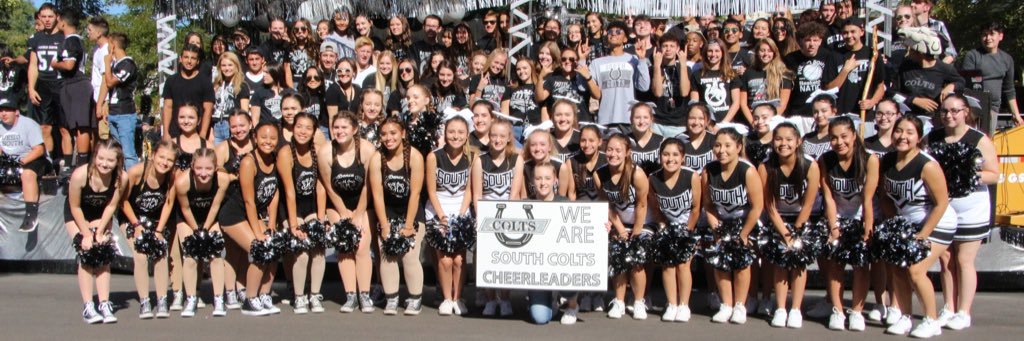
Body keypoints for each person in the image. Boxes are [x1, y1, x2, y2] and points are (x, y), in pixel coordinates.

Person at [878, 115, 957, 338]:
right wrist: (895, 224)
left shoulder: (927, 165)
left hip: (937, 222)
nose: (902, 136)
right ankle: (905, 317)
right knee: (897, 269)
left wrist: (924, 234)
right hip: (906, 224)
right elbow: (884, 197)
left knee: (916, 270)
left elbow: (942, 203)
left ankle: (931, 320)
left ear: (919, 137)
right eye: (899, 131)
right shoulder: (887, 161)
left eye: (909, 132)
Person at [928, 94, 999, 331]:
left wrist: (966, 174)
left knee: (963, 260)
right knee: (945, 259)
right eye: (944, 111)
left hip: (971, 206)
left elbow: (994, 174)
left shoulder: (979, 139)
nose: (949, 115)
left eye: (954, 110)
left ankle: (963, 311)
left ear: (965, 112)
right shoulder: (933, 137)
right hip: (942, 206)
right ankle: (948, 307)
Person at [758, 122, 823, 328]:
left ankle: (795, 309)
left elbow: (809, 203)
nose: (783, 143)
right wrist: (785, 233)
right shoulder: (765, 166)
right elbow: (769, 205)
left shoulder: (810, 165)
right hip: (777, 219)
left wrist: (796, 232)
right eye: (778, 139)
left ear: (798, 142)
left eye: (788, 139)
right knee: (780, 261)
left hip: (802, 219)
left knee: (798, 262)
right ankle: (780, 308)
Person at [818, 117, 881, 331]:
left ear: (854, 135)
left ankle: (856, 311)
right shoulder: (826, 159)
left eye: (844, 136)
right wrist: (834, 227)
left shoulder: (869, 159)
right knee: (835, 265)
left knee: (861, 266)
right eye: (834, 138)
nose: (839, 142)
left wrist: (867, 229)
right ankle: (837, 310)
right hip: (837, 216)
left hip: (862, 216)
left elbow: (868, 199)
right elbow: (828, 198)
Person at [218, 122, 281, 316]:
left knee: (274, 246)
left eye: (272, 138)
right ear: (255, 138)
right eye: (263, 137)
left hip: (254, 215)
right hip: (234, 216)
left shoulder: (275, 158)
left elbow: (274, 192)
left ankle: (264, 294)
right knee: (260, 249)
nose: (268, 142)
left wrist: (271, 224)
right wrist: (257, 233)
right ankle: (249, 299)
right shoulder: (248, 162)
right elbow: (249, 201)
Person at [702, 127, 764, 324]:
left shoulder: (748, 171)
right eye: (717, 145)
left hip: (745, 222)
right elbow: (708, 204)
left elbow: (757, 206)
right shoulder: (708, 170)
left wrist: (744, 234)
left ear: (738, 147)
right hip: (720, 222)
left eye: (727, 145)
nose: (722, 150)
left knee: (741, 264)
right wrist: (716, 228)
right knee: (720, 263)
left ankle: (740, 305)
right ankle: (726, 305)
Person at [64, 139, 128, 324]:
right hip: (77, 213)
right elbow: (75, 207)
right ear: (94, 157)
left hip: (101, 213)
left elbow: (112, 206)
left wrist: (100, 232)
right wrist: (86, 234)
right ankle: (88, 306)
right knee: (87, 251)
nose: (104, 164)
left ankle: (104, 303)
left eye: (110, 160)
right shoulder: (80, 175)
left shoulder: (121, 178)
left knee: (103, 252)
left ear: (118, 161)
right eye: (101, 158)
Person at [319, 113, 376, 313]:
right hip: (337, 204)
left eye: (344, 127)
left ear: (354, 129)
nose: (340, 131)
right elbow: (328, 187)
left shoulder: (367, 150)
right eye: (336, 127)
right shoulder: (326, 152)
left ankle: (365, 295)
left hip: (363, 203)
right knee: (344, 244)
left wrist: (358, 214)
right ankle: (350, 295)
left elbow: (369, 185)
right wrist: (343, 212)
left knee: (361, 247)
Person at [595, 133, 651, 320]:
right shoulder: (599, 174)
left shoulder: (637, 173)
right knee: (618, 256)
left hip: (641, 222)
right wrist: (620, 229)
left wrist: (636, 232)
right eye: (610, 150)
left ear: (627, 152)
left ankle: (639, 301)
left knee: (635, 260)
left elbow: (642, 204)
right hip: (618, 222)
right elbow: (607, 205)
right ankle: (619, 301)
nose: (613, 154)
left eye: (618, 150)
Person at [119, 139, 177, 318]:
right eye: (161, 157)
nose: (164, 163)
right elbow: (122, 201)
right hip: (131, 218)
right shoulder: (136, 172)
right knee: (141, 255)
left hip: (155, 220)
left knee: (161, 253)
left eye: (169, 160)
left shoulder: (172, 177)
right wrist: (136, 225)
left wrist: (159, 230)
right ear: (153, 155)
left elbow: (168, 203)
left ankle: (162, 299)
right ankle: (144, 301)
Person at [278, 112, 327, 314]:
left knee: (319, 248)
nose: (302, 131)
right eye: (299, 126)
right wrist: (293, 225)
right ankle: (299, 296)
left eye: (308, 128)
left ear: (314, 132)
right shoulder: (285, 153)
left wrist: (321, 219)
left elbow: (321, 187)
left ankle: (314, 294)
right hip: (291, 208)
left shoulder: (318, 151)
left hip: (311, 206)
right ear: (292, 128)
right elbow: (289, 192)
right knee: (302, 250)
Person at [471, 118, 521, 315]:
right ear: (488, 137)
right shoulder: (480, 160)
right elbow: (477, 194)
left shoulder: (516, 159)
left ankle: (505, 298)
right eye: (494, 136)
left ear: (509, 138)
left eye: (502, 136)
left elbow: (515, 193)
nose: (497, 140)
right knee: (486, 257)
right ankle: (491, 298)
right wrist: (481, 217)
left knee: (506, 257)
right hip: (486, 214)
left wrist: (508, 217)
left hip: (509, 214)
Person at [648, 138, 701, 322]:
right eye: (666, 154)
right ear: (660, 156)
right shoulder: (653, 178)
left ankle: (684, 305)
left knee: (683, 264)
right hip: (668, 227)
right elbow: (655, 208)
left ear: (683, 157)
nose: (670, 159)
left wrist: (688, 231)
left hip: (688, 226)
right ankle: (671, 304)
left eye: (675, 155)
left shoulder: (691, 176)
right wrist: (663, 227)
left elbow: (696, 208)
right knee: (667, 265)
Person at [174, 148, 231, 317]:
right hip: (188, 218)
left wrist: (205, 229)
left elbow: (215, 206)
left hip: (210, 217)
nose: (203, 173)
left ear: (216, 167)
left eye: (208, 168)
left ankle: (219, 298)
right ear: (192, 166)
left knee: (215, 254)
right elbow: (185, 209)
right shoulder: (182, 182)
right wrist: (196, 231)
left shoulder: (223, 179)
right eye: (199, 168)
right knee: (190, 255)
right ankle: (191, 298)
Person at [426, 116, 474, 316]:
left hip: (461, 208)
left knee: (459, 260)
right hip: (439, 209)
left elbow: (469, 190)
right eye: (451, 132)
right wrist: (442, 217)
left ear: (467, 135)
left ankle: (458, 297)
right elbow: (431, 190)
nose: (456, 136)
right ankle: (447, 298)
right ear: (445, 134)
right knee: (445, 260)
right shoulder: (434, 157)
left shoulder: (472, 157)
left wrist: (462, 215)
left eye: (461, 132)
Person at [523, 162, 580, 324]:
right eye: (538, 178)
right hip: (538, 270)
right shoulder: (524, 205)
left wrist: (603, 227)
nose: (543, 183)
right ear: (532, 181)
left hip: (561, 265)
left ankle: (572, 305)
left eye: (547, 178)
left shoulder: (565, 204)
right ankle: (551, 299)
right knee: (540, 318)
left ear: (555, 180)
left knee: (572, 272)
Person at [213, 109, 254, 310]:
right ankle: (229, 291)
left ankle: (241, 286)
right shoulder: (223, 148)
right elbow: (214, 173)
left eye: (242, 125)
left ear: (250, 124)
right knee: (232, 251)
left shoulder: (257, 144)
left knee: (244, 251)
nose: (238, 130)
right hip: (229, 204)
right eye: (234, 126)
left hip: (250, 203)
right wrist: (230, 176)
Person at [889, 27, 964, 123]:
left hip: (933, 120)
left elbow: (961, 82)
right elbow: (892, 93)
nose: (908, 52)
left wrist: (951, 86)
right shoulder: (905, 67)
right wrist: (913, 100)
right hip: (908, 119)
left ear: (920, 52)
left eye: (911, 49)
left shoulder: (944, 68)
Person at [590, 21, 650, 130]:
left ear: (625, 39)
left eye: (618, 32)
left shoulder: (634, 59)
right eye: (610, 32)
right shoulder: (597, 63)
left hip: (628, 119)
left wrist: (642, 59)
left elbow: (644, 87)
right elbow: (584, 88)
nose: (613, 34)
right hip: (605, 120)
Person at [0, 96, 48, 233]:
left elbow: (39, 150)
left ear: (16, 112)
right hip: (10, 162)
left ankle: (31, 215)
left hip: (34, 158)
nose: (3, 114)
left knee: (27, 173)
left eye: (7, 110)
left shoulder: (29, 124)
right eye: (1, 111)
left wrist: (21, 163)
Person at [784, 21, 842, 132]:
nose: (811, 44)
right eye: (807, 40)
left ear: (820, 41)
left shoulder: (828, 56)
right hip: (798, 113)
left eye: (815, 40)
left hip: (821, 113)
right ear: (800, 41)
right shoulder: (790, 59)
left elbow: (831, 85)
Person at [53, 12, 94, 168]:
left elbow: (69, 65)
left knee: (81, 126)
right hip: (67, 85)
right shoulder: (69, 40)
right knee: (66, 127)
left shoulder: (72, 40)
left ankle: (82, 164)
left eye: (58, 20)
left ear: (63, 22)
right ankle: (68, 166)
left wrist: (54, 64)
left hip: (77, 84)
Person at [26, 3, 64, 170]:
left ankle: (66, 164)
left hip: (61, 85)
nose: (47, 20)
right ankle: (49, 166)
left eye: (50, 16)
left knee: (64, 128)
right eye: (44, 17)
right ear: (39, 18)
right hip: (43, 86)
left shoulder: (64, 37)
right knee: (44, 127)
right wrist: (31, 88)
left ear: (57, 17)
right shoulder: (36, 38)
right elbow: (33, 65)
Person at [961, 22, 1020, 125]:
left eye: (992, 34)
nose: (988, 38)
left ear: (1000, 36)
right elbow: (965, 85)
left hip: (993, 108)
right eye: (984, 35)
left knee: (988, 135)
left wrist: (1016, 114)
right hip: (972, 108)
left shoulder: (1007, 59)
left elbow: (1009, 90)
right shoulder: (972, 56)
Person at [834, 19, 886, 132]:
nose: (849, 36)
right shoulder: (835, 55)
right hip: (841, 115)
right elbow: (829, 88)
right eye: (845, 32)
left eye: (853, 32)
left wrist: (872, 102)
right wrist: (845, 71)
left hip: (865, 116)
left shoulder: (873, 55)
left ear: (862, 32)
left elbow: (880, 86)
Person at [102, 32, 140, 167]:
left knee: (128, 152)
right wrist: (105, 105)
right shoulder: (116, 64)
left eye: (108, 44)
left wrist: (107, 63)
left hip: (125, 114)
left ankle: (132, 177)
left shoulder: (128, 64)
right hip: (114, 112)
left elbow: (110, 82)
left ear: (113, 45)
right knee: (118, 152)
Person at [162, 44, 215, 138]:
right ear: (180, 59)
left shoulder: (205, 82)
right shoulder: (171, 80)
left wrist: (202, 135)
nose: (189, 61)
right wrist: (166, 133)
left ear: (198, 61)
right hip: (175, 134)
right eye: (186, 57)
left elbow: (208, 110)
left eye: (193, 58)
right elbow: (167, 107)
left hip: (197, 134)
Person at [536, 48, 599, 124]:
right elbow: (540, 98)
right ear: (560, 61)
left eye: (571, 59)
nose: (567, 61)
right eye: (564, 59)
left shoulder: (582, 78)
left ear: (576, 61)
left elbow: (597, 96)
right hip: (561, 123)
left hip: (581, 123)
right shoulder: (553, 79)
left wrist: (588, 77)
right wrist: (540, 78)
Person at [739, 39, 793, 121]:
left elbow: (782, 104)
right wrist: (753, 121)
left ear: (774, 53)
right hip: (754, 119)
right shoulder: (748, 73)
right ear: (757, 52)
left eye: (769, 51)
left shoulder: (783, 74)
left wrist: (770, 121)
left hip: (774, 120)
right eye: (762, 50)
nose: (766, 54)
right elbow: (743, 103)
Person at [690, 38, 741, 124]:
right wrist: (707, 124)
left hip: (726, 123)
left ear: (723, 53)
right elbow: (695, 104)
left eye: (717, 51)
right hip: (705, 123)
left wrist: (723, 124)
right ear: (705, 53)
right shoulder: (697, 75)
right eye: (710, 51)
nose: (713, 54)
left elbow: (736, 103)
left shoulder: (731, 74)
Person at [651, 35, 690, 138]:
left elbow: (684, 92)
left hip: (679, 123)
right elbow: (658, 93)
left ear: (677, 49)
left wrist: (683, 65)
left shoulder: (685, 68)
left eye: (672, 46)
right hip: (658, 122)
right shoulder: (653, 69)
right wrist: (656, 66)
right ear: (660, 49)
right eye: (665, 46)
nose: (668, 49)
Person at [212, 52, 250, 144]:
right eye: (223, 65)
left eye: (230, 65)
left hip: (232, 126)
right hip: (216, 125)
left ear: (236, 66)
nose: (227, 68)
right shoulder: (217, 85)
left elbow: (244, 111)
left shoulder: (241, 85)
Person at [628, 102, 664, 173]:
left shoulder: (661, 141)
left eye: (645, 117)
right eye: (637, 117)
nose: (641, 121)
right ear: (631, 119)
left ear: (651, 119)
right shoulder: (625, 141)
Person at [260, 17, 294, 88]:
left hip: (289, 81)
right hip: (272, 82)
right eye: (275, 28)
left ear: (285, 30)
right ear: (270, 30)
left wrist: (289, 46)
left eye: (280, 28)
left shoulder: (291, 46)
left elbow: (289, 67)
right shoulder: (264, 47)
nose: (277, 31)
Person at [683, 104, 716, 172]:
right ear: (686, 119)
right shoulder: (680, 140)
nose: (696, 122)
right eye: (692, 118)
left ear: (708, 121)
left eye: (701, 118)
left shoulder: (714, 139)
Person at [804, 95, 837, 160]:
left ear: (833, 112)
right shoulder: (806, 138)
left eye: (824, 111)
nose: (819, 115)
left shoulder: (837, 137)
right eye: (815, 112)